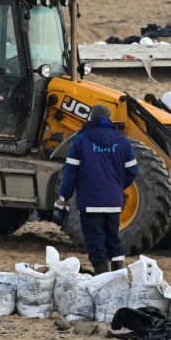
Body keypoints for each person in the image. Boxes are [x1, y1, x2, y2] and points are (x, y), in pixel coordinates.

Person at [55, 104, 138, 274]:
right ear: (109, 118)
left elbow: (71, 173)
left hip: (90, 202)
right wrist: (117, 186)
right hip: (114, 202)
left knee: (95, 240)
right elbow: (132, 170)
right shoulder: (122, 140)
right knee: (114, 239)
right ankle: (118, 275)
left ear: (90, 118)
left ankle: (101, 276)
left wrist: (63, 196)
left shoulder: (81, 140)